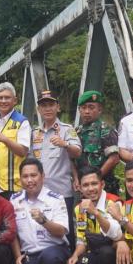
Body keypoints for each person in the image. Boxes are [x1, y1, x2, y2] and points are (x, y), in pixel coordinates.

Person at [7, 158, 71, 264]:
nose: (29, 180)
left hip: (54, 250)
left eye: (33, 175)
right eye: (25, 176)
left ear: (43, 176)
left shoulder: (56, 199)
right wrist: (17, 256)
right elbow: (12, 232)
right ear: (20, 178)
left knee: (51, 257)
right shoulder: (15, 200)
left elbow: (61, 231)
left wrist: (44, 221)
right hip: (30, 255)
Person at [63, 166, 124, 264]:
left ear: (102, 184)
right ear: (80, 188)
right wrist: (76, 255)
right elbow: (81, 238)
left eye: (94, 184)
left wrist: (96, 213)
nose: (90, 189)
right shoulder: (79, 209)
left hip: (115, 257)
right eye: (86, 185)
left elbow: (115, 234)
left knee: (106, 252)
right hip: (93, 255)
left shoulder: (113, 203)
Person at [30, 90, 81, 248]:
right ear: (38, 109)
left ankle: (70, 262)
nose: (47, 109)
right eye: (43, 105)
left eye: (51, 104)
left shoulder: (66, 129)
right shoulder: (34, 133)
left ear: (58, 107)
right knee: (41, 229)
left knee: (66, 230)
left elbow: (77, 151)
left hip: (61, 191)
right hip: (40, 192)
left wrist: (65, 144)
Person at [0, 82, 30, 198]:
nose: (3, 101)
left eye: (7, 98)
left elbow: (23, 151)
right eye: (0, 98)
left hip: (14, 186)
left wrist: (4, 139)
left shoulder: (22, 122)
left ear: (15, 100)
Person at [76, 90, 121, 195]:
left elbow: (114, 159)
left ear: (99, 110)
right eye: (83, 108)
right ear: (79, 110)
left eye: (91, 107)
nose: (87, 111)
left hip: (103, 185)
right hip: (82, 186)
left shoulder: (105, 130)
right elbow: (72, 160)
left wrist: (96, 179)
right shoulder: (76, 132)